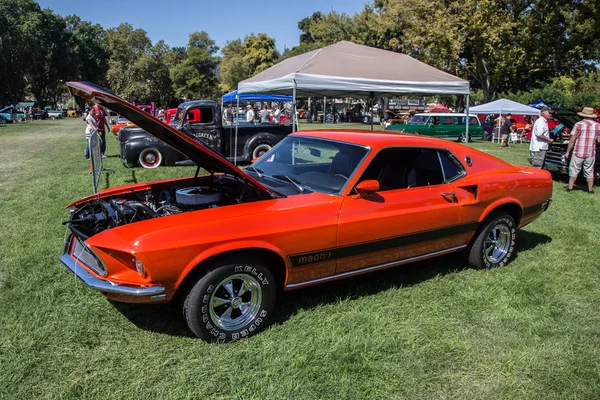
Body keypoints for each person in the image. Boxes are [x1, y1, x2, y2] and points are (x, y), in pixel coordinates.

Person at [564, 107, 600, 193]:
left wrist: (568, 152)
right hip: (591, 152)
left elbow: (572, 140)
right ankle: (590, 190)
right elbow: (599, 140)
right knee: (590, 171)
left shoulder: (578, 125)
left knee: (574, 169)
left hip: (578, 151)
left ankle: (570, 188)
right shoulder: (598, 125)